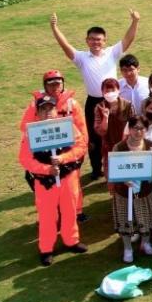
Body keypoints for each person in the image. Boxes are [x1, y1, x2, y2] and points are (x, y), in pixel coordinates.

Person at [50, 9, 139, 179]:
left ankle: (120, 166)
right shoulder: (82, 57)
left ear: (104, 41)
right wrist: (55, 28)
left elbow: (128, 40)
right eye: (92, 39)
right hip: (93, 101)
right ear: (87, 40)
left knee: (118, 131)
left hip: (114, 100)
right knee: (94, 136)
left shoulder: (112, 53)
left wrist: (135, 21)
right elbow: (65, 46)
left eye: (99, 39)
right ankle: (96, 168)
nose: (95, 42)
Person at [19, 95, 89, 266]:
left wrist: (64, 158)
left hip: (68, 177)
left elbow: (80, 146)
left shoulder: (68, 126)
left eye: (50, 108)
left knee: (70, 210)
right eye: (43, 109)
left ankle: (71, 241)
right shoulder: (31, 133)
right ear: (38, 112)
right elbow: (24, 159)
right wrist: (47, 169)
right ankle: (46, 248)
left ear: (56, 109)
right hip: (45, 182)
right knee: (47, 215)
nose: (48, 112)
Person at [19, 69, 88, 220]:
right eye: (51, 85)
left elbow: (82, 128)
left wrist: (82, 150)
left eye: (58, 84)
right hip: (44, 151)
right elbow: (25, 126)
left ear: (63, 84)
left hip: (68, 151)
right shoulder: (35, 105)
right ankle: (54, 214)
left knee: (73, 181)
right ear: (45, 86)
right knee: (48, 184)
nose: (55, 87)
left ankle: (77, 211)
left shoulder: (71, 104)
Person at [110, 116, 152, 263]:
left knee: (145, 219)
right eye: (135, 128)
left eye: (142, 128)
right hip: (124, 193)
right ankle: (128, 248)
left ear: (146, 130)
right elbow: (112, 170)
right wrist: (122, 180)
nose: (138, 132)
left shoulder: (149, 145)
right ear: (130, 128)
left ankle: (145, 242)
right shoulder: (119, 147)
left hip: (145, 191)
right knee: (125, 221)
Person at [94, 78, 136, 177]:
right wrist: (105, 118)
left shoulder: (128, 105)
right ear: (102, 92)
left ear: (118, 90)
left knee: (127, 177)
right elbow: (101, 132)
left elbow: (134, 126)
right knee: (112, 177)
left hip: (126, 146)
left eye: (112, 90)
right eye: (107, 91)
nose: (110, 93)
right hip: (108, 148)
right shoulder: (99, 107)